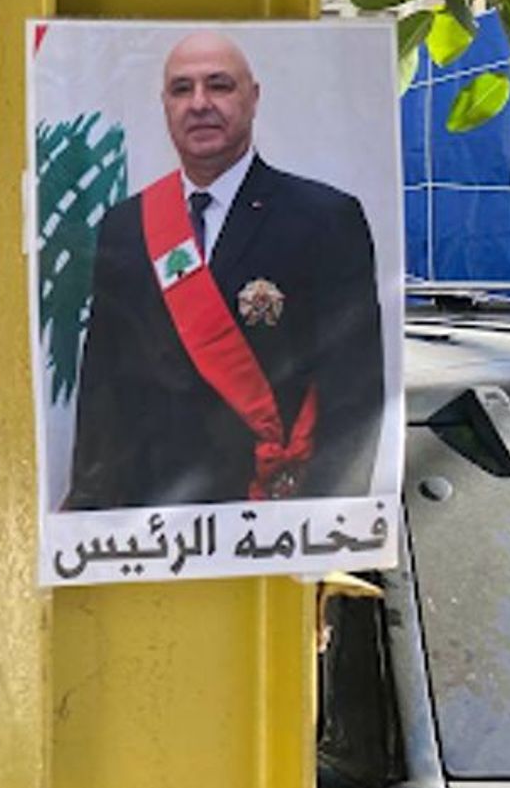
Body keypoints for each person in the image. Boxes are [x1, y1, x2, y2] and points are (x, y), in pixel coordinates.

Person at [64, 30, 384, 510]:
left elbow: (353, 392)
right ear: (165, 105)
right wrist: (91, 513)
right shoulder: (126, 226)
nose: (199, 103)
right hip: (151, 521)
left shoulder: (324, 218)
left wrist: (328, 524)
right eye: (182, 89)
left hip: (268, 513)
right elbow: (104, 387)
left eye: (219, 85)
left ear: (253, 98)